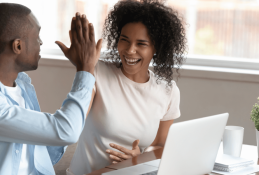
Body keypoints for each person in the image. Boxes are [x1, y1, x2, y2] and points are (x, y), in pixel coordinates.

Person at [67, 0, 187, 174]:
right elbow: (73, 122)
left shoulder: (168, 91)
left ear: (156, 48)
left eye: (141, 44)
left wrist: (140, 156)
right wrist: (83, 67)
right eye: (125, 40)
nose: (130, 50)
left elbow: (160, 145)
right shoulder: (96, 71)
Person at [0, 3, 102, 175]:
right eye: (37, 36)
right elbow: (65, 131)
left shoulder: (23, 86)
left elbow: (46, 152)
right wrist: (85, 69)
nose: (40, 42)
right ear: (18, 46)